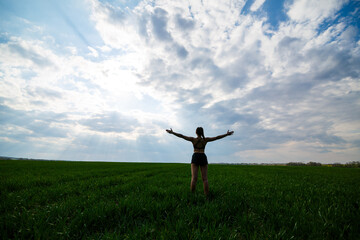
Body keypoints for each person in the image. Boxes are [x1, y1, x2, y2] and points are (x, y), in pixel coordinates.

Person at [166, 127, 234, 196]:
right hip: (202, 156)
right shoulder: (205, 140)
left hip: (195, 156)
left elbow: (182, 136)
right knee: (205, 179)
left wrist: (172, 132)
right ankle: (207, 196)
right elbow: (217, 137)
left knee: (194, 178)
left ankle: (192, 195)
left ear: (196, 132)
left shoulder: (193, 139)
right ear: (202, 132)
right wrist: (226, 134)